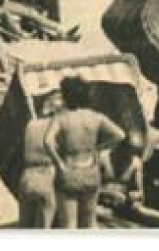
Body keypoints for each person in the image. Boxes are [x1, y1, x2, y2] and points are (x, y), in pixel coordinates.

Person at [50, 76, 126, 229]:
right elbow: (120, 135)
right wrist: (100, 148)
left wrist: (58, 162)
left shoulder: (61, 118)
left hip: (69, 171)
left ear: (66, 96)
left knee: (69, 225)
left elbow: (47, 141)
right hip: (91, 171)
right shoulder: (96, 117)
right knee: (90, 223)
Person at [17, 94, 59, 228]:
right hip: (46, 175)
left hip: (27, 177)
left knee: (25, 226)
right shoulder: (55, 126)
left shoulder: (30, 125)